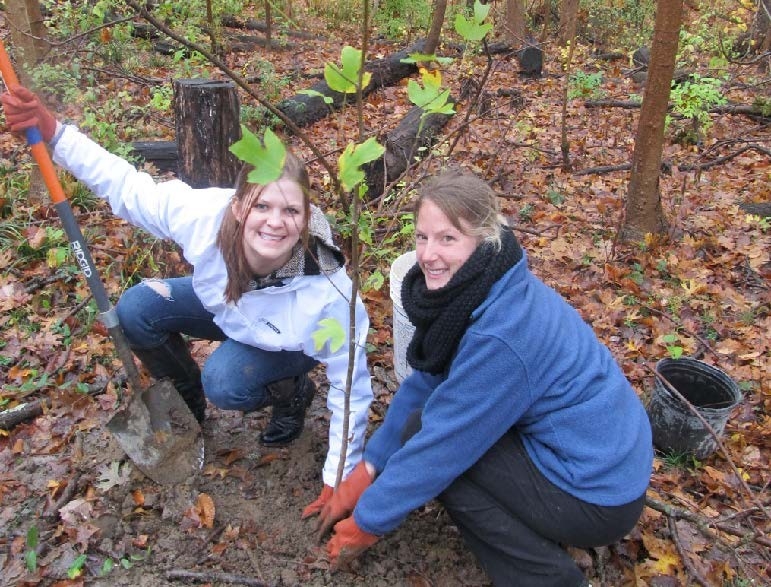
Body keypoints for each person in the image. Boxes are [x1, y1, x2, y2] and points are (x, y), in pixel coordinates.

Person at [1, 85, 373, 508]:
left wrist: (338, 477)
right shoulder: (203, 217)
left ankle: (291, 391)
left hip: (283, 341)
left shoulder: (327, 293)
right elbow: (127, 186)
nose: (274, 222)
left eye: (291, 211)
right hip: (226, 308)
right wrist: (53, 132)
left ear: (306, 219)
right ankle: (184, 403)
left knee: (225, 382)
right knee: (138, 308)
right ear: (238, 208)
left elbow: (351, 386)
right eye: (262, 206)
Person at [308, 170, 653, 586]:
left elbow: (444, 447)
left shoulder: (502, 334)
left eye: (448, 238)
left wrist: (367, 522)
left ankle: (549, 578)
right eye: (422, 237)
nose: (428, 255)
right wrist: (368, 468)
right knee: (423, 430)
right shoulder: (482, 288)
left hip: (597, 492)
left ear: (485, 238)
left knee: (445, 462)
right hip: (598, 456)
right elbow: (427, 381)